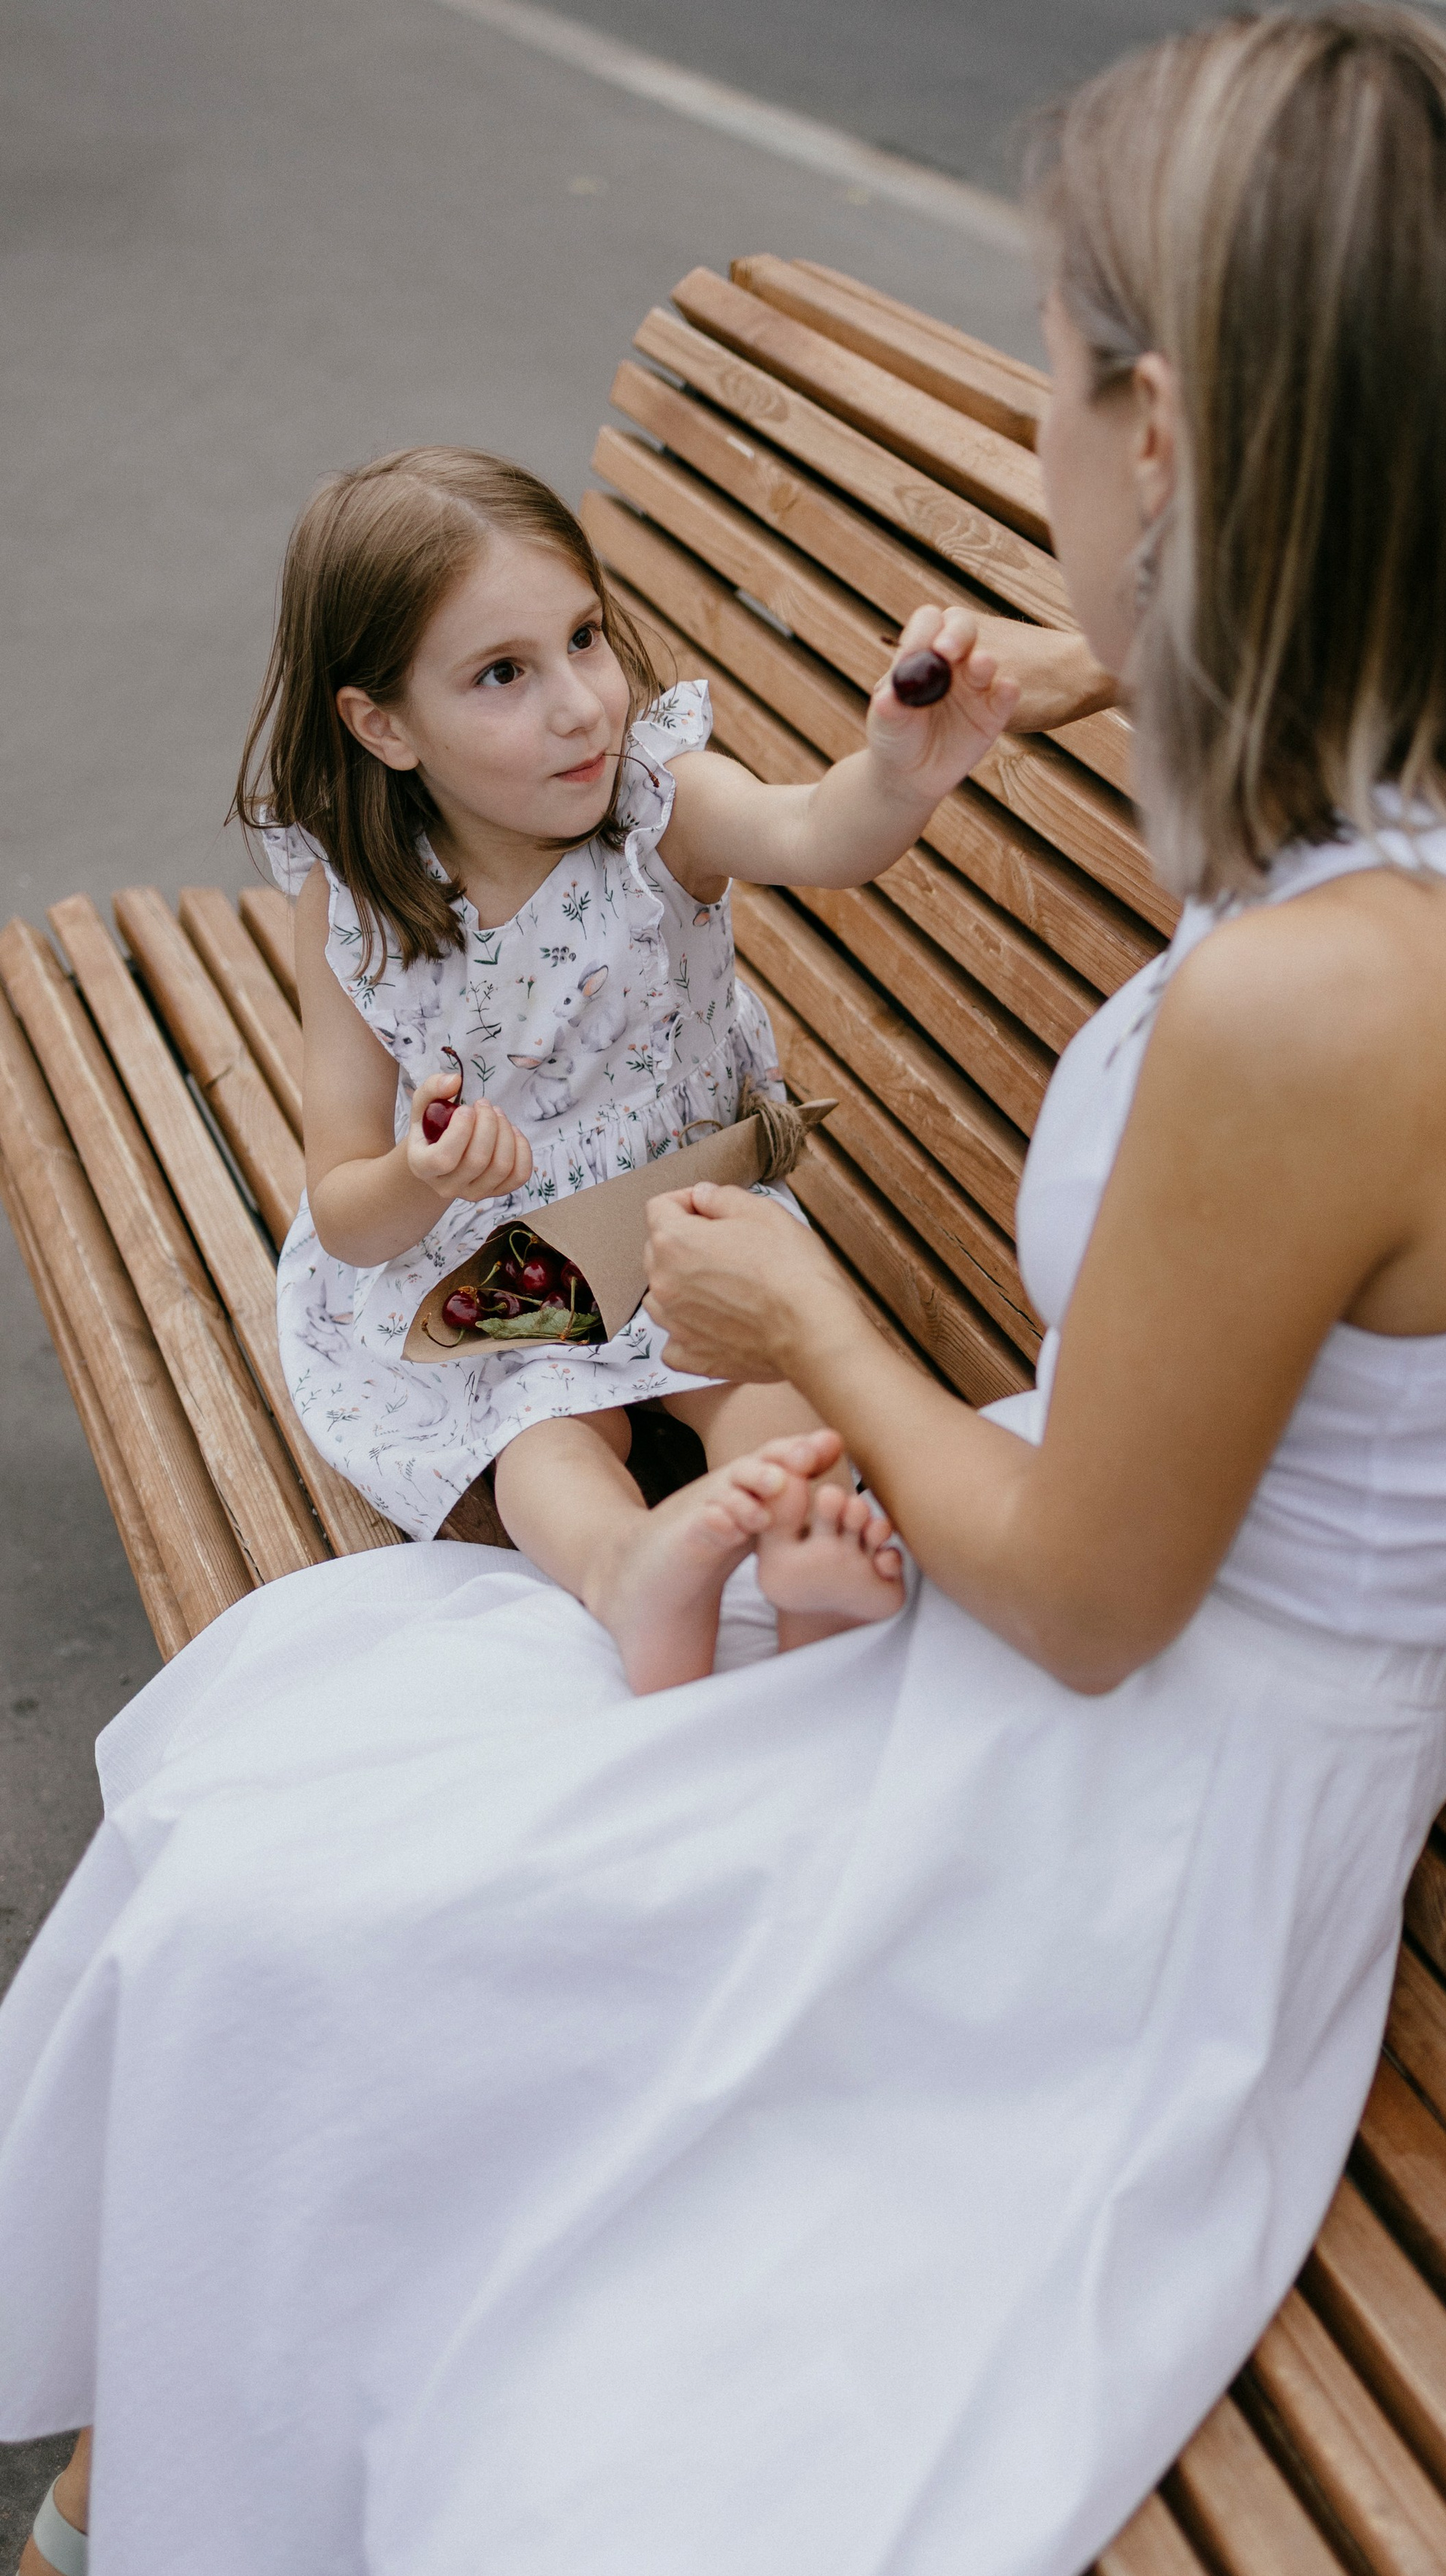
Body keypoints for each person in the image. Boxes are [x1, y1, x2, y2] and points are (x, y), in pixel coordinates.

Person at [0, 12, 1446, 2576]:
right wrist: (1107, 664)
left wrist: (814, 1341)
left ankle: (155, 2536)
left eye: (1050, 375)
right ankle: (150, 2496)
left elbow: (1106, 1598)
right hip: (1090, 1672)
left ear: (1157, 431)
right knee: (301, 1847)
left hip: (1118, 1826)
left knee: (322, 1929)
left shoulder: (1325, 1013)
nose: (1036, 431)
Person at [243, 449, 1034, 1689]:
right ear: (382, 725)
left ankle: (805, 1534)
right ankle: (630, 1570)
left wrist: (896, 776)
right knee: (545, 1425)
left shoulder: (659, 807)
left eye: (585, 638)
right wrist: (425, 1173)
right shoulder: (358, 907)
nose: (580, 706)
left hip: (686, 1212)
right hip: (501, 1263)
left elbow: (814, 832)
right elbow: (345, 1208)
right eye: (503, 674)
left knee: (751, 1370)